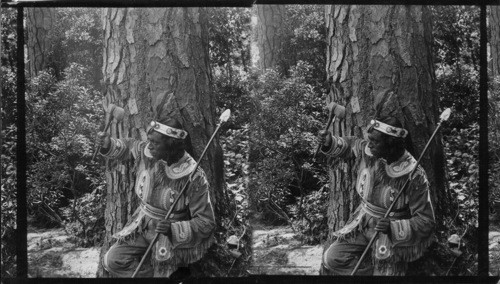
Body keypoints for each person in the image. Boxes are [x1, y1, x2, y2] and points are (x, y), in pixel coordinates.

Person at [318, 103, 436, 276]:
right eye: (369, 139)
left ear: (391, 145)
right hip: (362, 223)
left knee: (386, 273)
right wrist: (330, 142)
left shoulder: (414, 174)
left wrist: (393, 227)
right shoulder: (369, 152)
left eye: (375, 141)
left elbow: (426, 221)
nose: (369, 145)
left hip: (388, 234)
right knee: (332, 258)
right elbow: (351, 145)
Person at [97, 117, 216, 278]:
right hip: (141, 225)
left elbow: (206, 222)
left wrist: (173, 230)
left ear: (171, 145)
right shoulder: (148, 152)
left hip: (168, 236)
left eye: (155, 143)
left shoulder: (193, 176)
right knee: (113, 260)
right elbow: (130, 146)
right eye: (149, 140)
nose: (149, 145)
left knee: (165, 272)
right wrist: (108, 144)